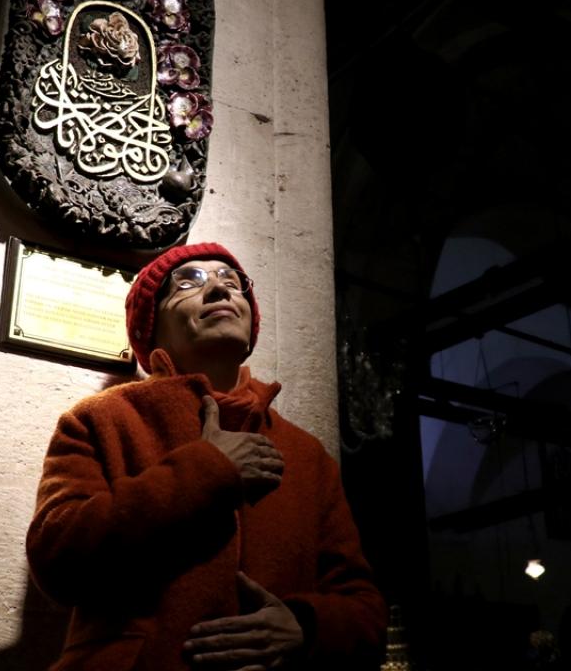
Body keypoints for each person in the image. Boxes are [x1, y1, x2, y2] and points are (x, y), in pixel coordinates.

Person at [27, 242, 387, 670]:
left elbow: (365, 611)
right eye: (188, 282)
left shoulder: (307, 454)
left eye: (233, 282)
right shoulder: (101, 419)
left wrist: (306, 627)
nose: (219, 289)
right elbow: (57, 560)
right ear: (150, 325)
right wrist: (208, 470)